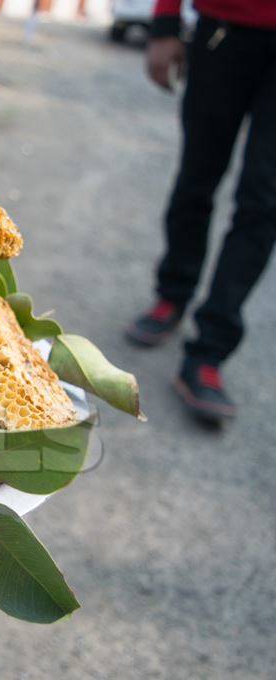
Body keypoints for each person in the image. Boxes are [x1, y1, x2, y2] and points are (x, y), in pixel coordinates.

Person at [126, 0, 276, 424]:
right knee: (197, 179)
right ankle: (172, 294)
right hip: (225, 30)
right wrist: (165, 23)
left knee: (264, 204)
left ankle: (210, 348)